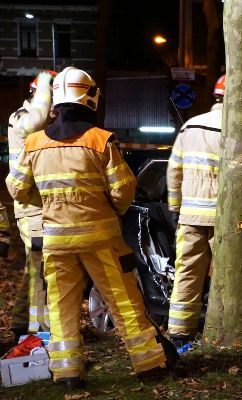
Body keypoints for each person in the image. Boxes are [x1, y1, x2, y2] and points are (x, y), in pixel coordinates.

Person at [5, 67, 176, 390]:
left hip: (56, 241)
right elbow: (124, 189)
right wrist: (109, 210)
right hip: (101, 240)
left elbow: (17, 188)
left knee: (61, 308)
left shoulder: (34, 143)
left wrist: (47, 204)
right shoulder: (101, 141)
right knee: (123, 302)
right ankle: (149, 365)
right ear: (91, 97)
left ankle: (67, 373)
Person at [166, 74, 224, 347]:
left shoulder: (190, 126)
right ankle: (221, 332)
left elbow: (174, 170)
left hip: (190, 215)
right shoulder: (237, 128)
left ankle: (179, 333)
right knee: (226, 277)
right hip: (223, 218)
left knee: (187, 272)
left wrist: (176, 207)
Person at [7, 70, 55, 342]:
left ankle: (19, 323)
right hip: (30, 205)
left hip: (40, 203)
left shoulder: (41, 119)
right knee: (41, 268)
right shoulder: (21, 117)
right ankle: (40, 332)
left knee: (34, 265)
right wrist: (46, 82)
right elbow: (34, 122)